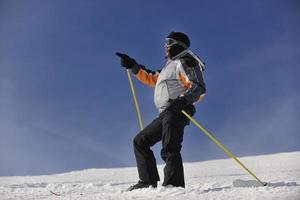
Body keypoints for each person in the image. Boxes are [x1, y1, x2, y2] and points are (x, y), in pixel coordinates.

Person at [116, 31, 206, 191]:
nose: (165, 45)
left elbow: (198, 86)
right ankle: (147, 181)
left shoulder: (186, 60)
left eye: (169, 42)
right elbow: (151, 77)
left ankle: (173, 185)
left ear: (179, 44)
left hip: (179, 109)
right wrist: (133, 66)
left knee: (170, 146)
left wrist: (183, 100)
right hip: (165, 112)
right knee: (140, 141)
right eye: (165, 42)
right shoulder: (167, 68)